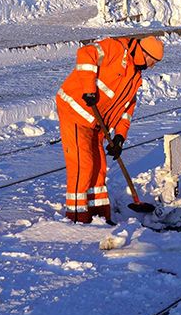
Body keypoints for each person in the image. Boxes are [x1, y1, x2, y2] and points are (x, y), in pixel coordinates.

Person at [55, 34, 165, 223]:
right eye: (152, 61)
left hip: (96, 123)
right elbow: (85, 53)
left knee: (99, 166)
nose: (152, 65)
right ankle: (77, 216)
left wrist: (119, 137)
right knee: (84, 164)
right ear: (143, 53)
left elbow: (126, 111)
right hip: (75, 110)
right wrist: (88, 88)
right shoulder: (116, 49)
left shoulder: (135, 78)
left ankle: (98, 213)